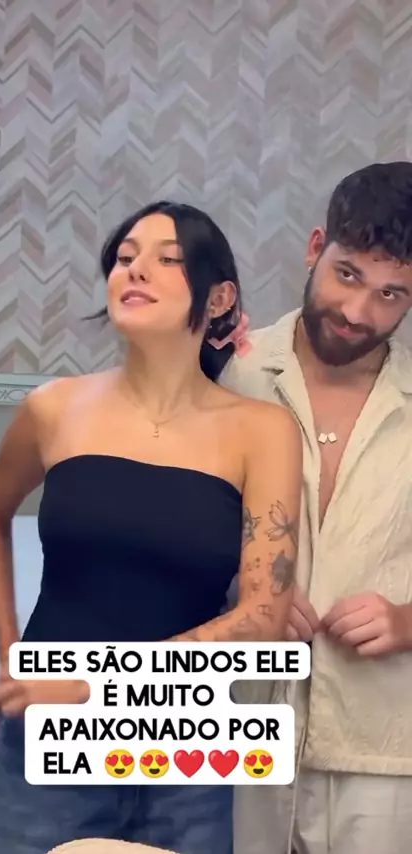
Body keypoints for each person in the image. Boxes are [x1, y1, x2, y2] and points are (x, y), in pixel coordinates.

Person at [0, 200, 303, 854]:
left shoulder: (263, 430)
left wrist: (93, 682)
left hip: (186, 740)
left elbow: (264, 614)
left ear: (220, 297)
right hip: (52, 727)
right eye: (124, 258)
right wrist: (11, 655)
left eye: (167, 259)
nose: (135, 270)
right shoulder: (54, 408)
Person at [221, 161, 412, 854]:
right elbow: (177, 530)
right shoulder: (231, 374)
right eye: (348, 275)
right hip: (242, 725)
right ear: (314, 248)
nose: (359, 312)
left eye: (391, 294)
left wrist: (408, 621)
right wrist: (244, 588)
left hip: (383, 743)